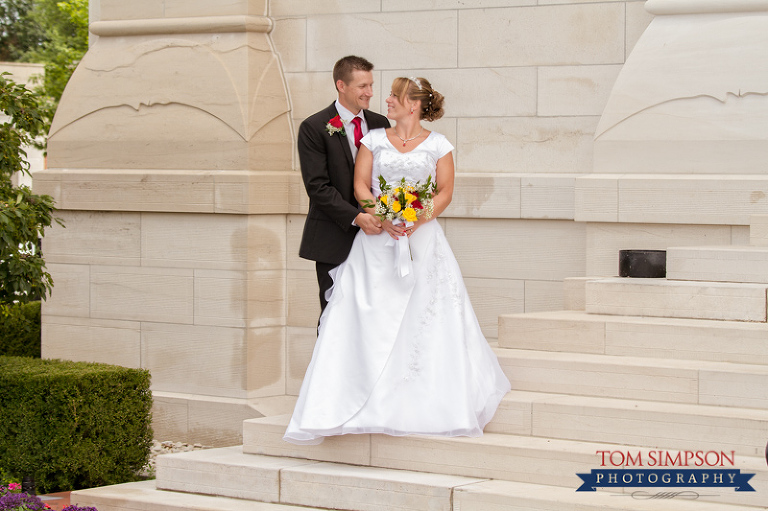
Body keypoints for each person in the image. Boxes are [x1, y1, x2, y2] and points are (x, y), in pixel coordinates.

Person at [284, 76, 511, 445]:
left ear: (414, 104)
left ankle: (419, 400)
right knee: (365, 313)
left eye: (394, 95)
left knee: (425, 315)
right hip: (377, 242)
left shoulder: (439, 144)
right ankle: (357, 397)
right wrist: (385, 215)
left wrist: (417, 216)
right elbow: (361, 186)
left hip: (423, 242)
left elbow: (445, 192)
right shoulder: (371, 139)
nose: (385, 99)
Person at [298, 55, 391, 314]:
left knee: (374, 315)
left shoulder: (380, 123)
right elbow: (317, 187)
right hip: (333, 237)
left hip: (377, 236)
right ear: (341, 85)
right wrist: (357, 217)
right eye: (363, 86)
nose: (370, 93)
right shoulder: (314, 127)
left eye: (371, 85)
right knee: (334, 316)